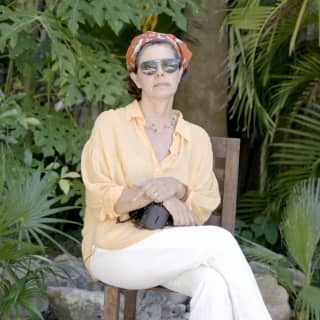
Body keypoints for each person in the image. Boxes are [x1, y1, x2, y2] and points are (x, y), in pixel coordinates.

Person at [81, 31, 272, 320]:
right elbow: (101, 196)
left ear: (180, 71)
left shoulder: (195, 137)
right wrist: (155, 196)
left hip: (169, 250)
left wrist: (177, 189)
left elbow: (202, 204)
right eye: (149, 67)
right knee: (219, 241)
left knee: (213, 283)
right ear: (135, 78)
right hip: (112, 250)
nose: (160, 73)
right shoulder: (110, 125)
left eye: (169, 65)